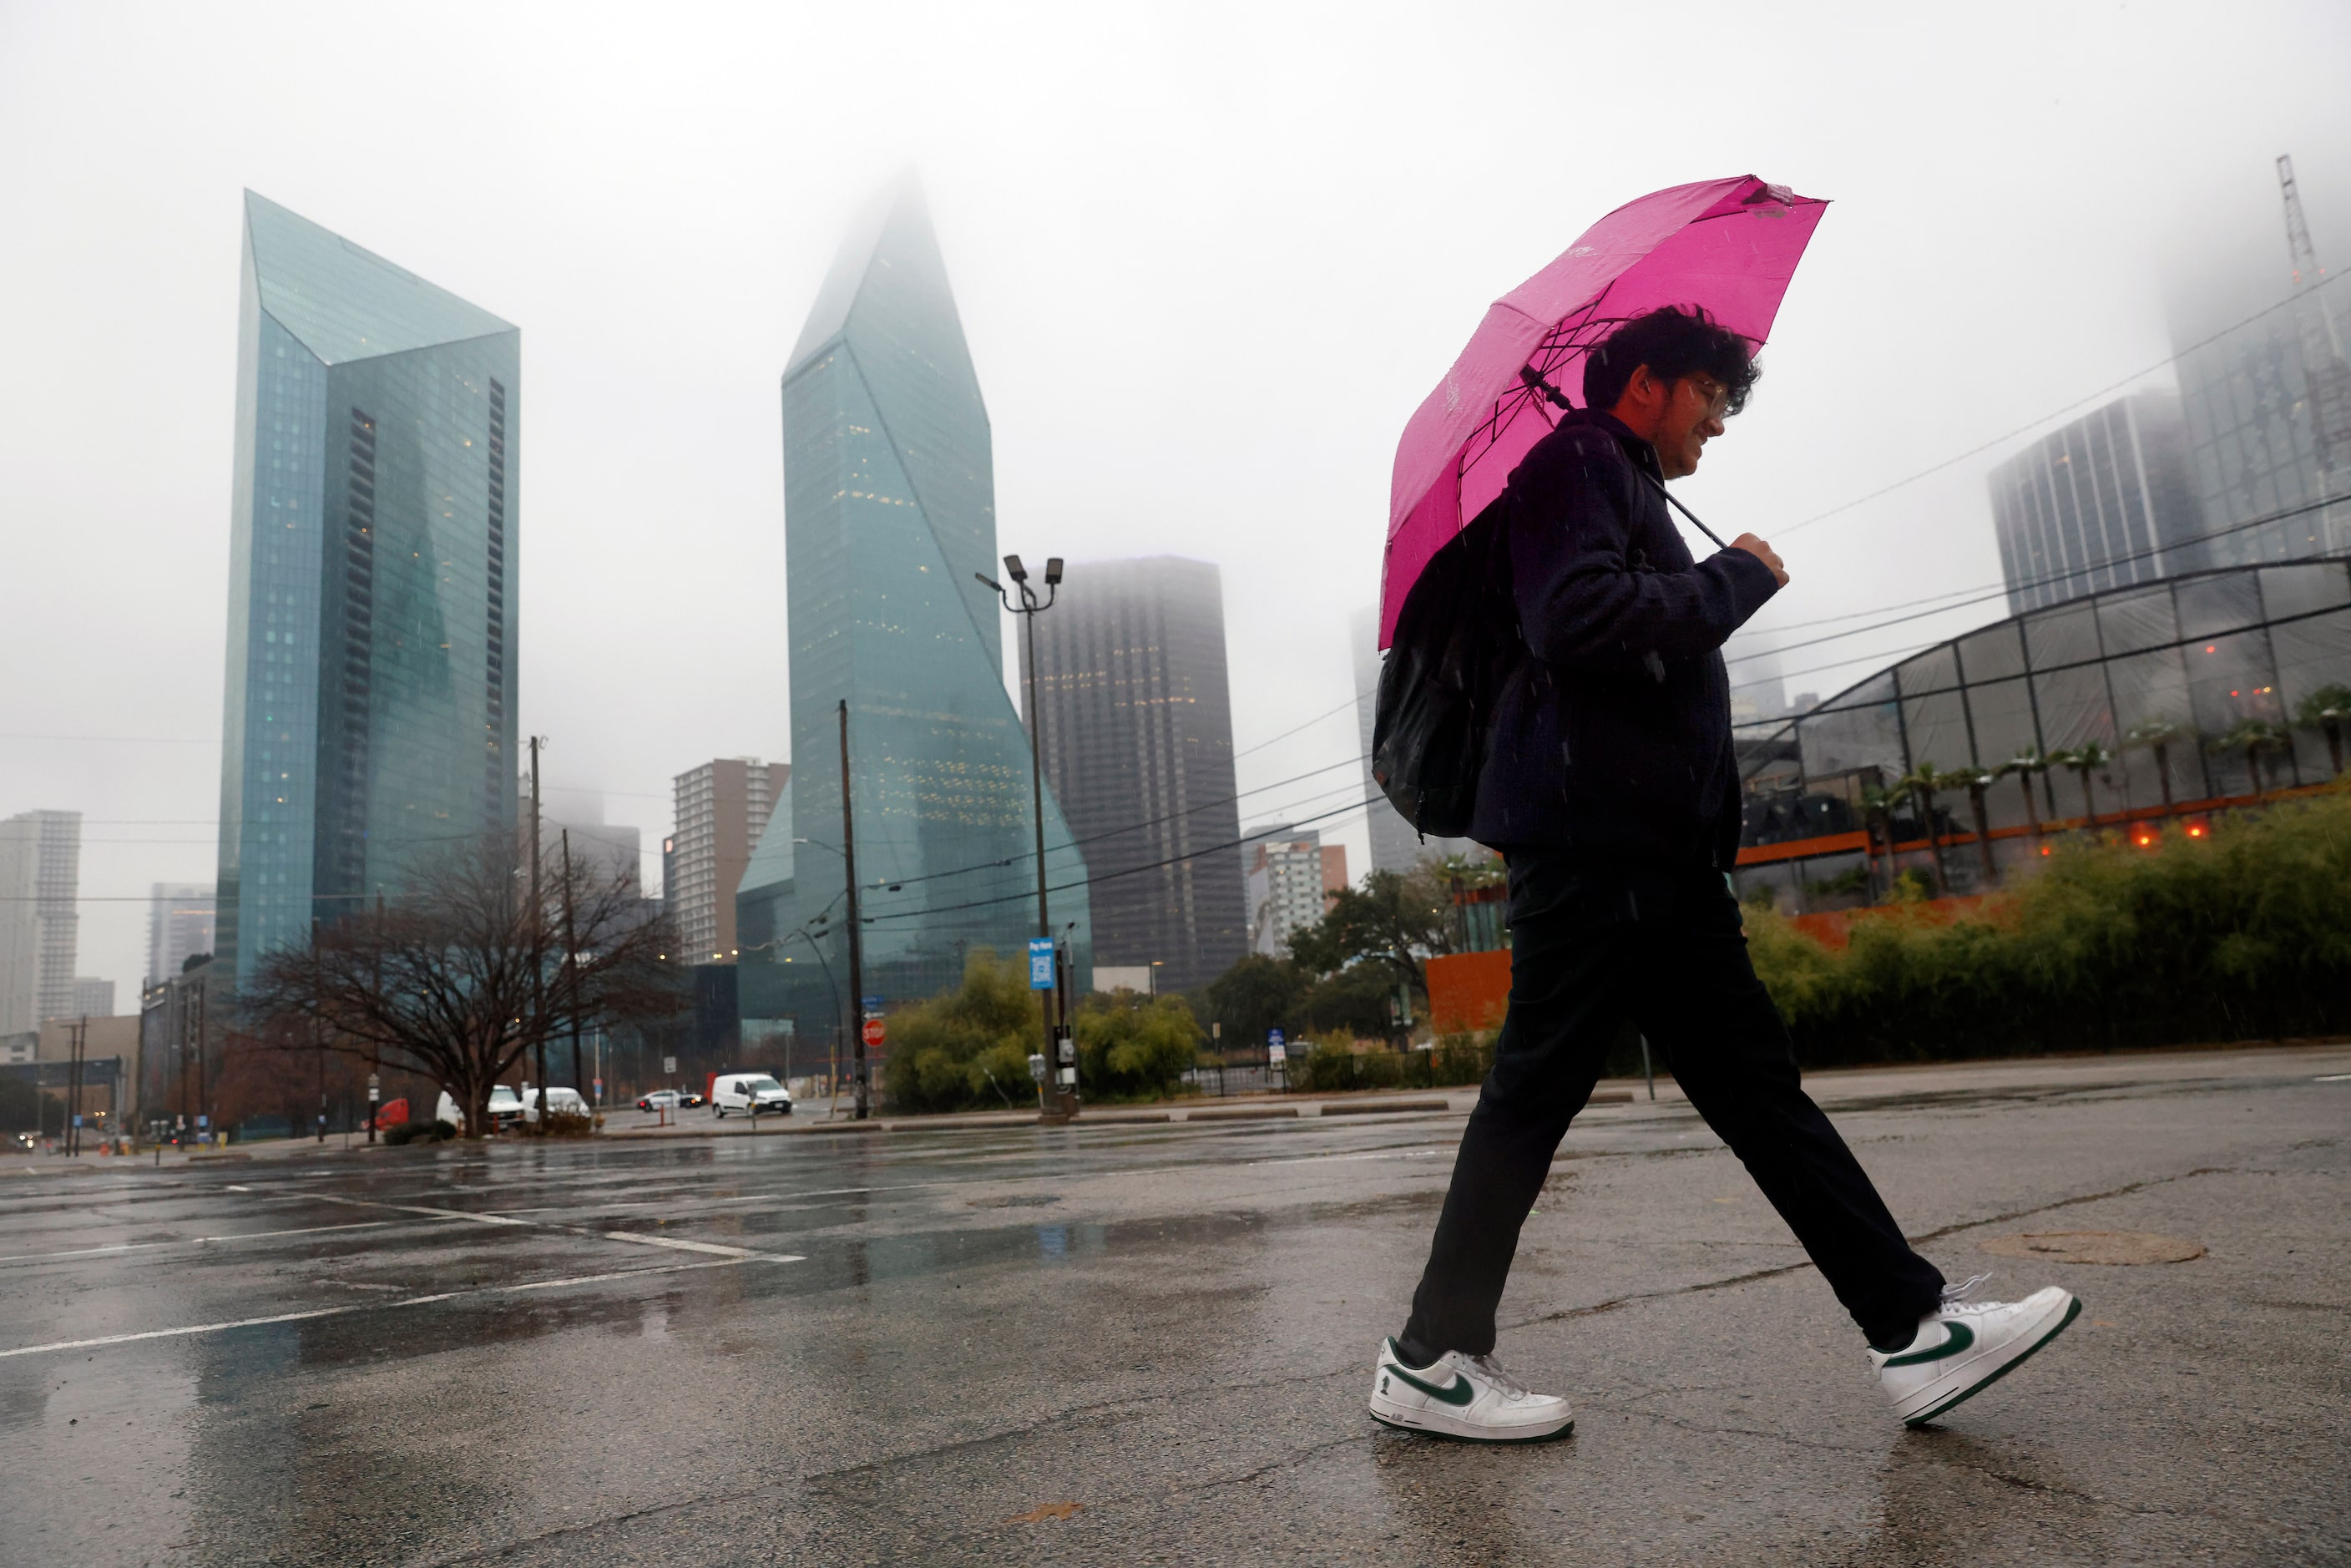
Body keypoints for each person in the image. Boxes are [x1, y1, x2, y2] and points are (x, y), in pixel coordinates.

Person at [1367, 306, 2079, 1443]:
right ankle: (1429, 1355)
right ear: (1646, 383)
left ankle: (1912, 1328)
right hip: (1597, 848)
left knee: (1750, 1090)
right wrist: (1732, 578)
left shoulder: (1613, 474)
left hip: (1648, 856)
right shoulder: (1579, 461)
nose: (1719, 420)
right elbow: (1575, 618)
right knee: (1540, 1095)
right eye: (1712, 394)